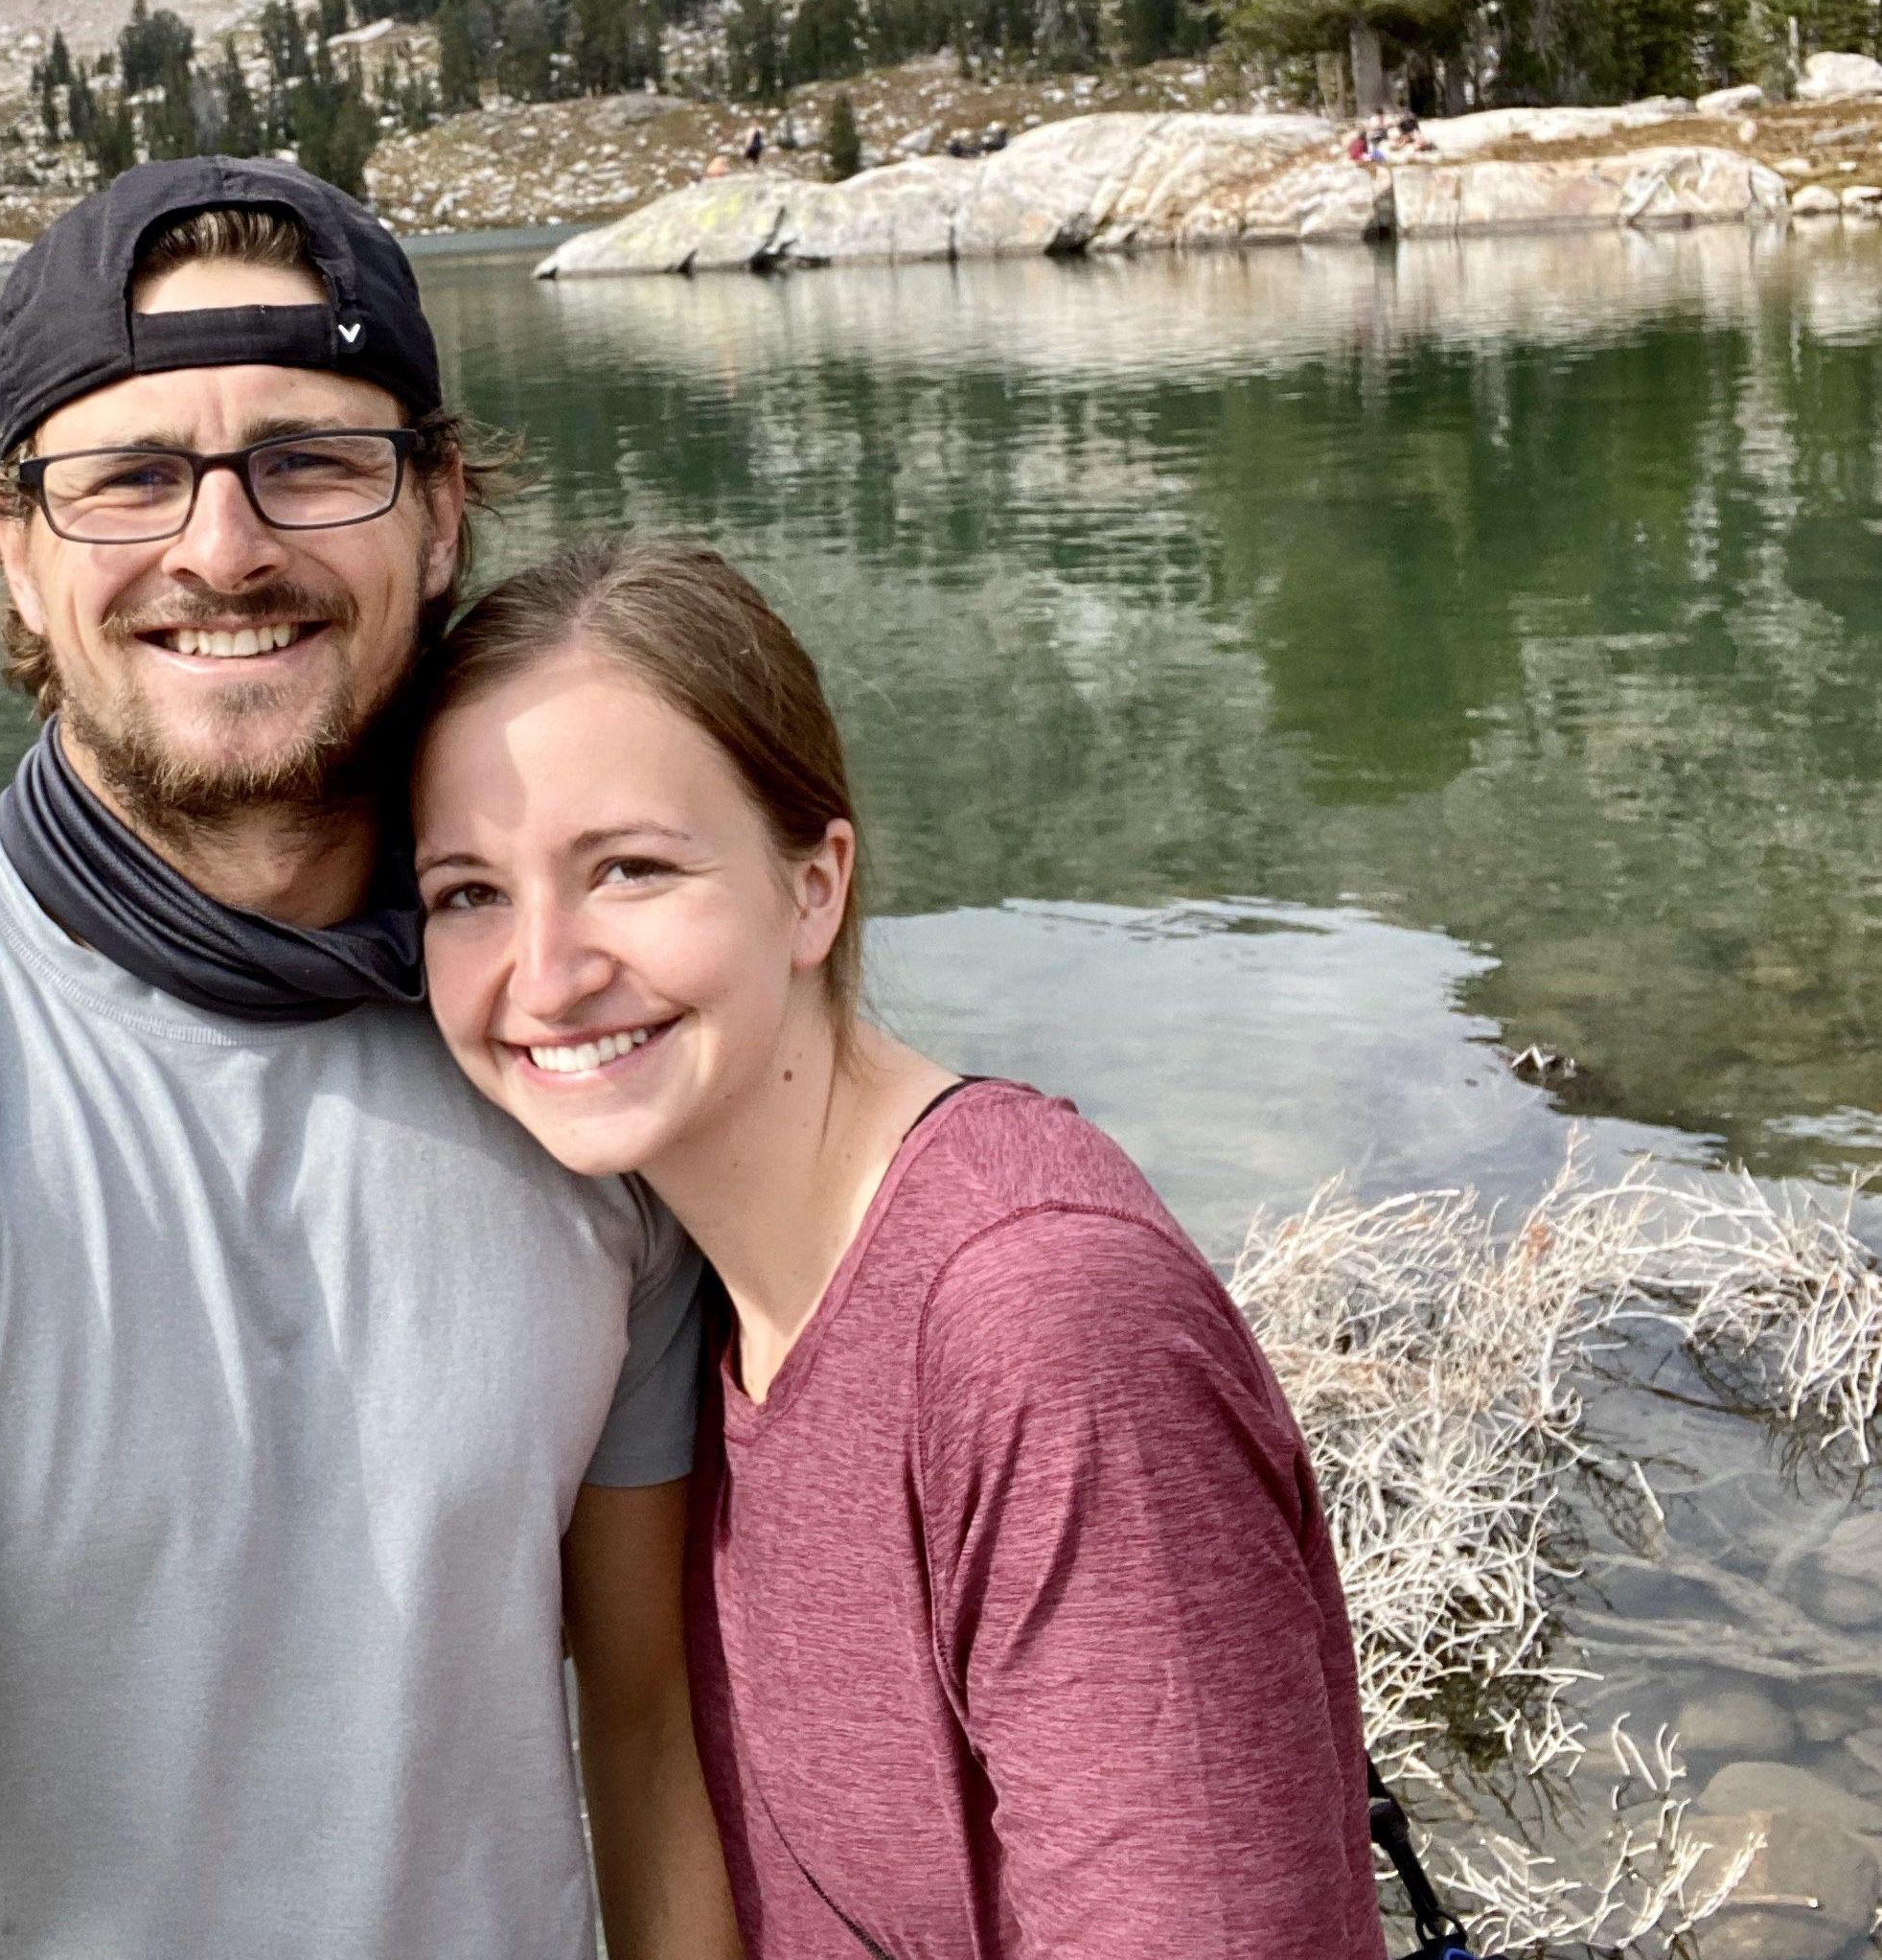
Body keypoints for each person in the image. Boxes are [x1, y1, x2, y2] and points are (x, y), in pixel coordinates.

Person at [0, 163, 738, 1960]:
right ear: (18, 560)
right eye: (124, 479)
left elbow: (655, 1738)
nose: (222, 548)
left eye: (313, 458)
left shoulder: (581, 1053)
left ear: (438, 519)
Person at [409, 541, 1385, 1960]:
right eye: (468, 894)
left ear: (815, 886)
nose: (545, 975)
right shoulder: (679, 1294)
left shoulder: (1041, 1321)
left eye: (629, 869)